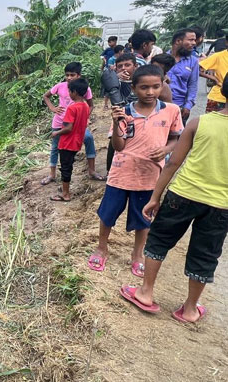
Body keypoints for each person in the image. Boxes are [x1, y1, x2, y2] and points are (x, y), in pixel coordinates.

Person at [120, 75, 228, 322]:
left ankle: (145, 292)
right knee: (206, 254)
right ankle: (190, 309)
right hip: (221, 204)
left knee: (159, 240)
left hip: (184, 194)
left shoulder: (200, 123)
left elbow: (173, 163)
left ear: (222, 90)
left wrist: (155, 196)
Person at [88, 65, 182, 276]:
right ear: (133, 88)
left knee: (143, 218)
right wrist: (115, 120)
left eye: (155, 87)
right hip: (121, 174)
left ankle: (137, 254)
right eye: (144, 88)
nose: (150, 92)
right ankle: (102, 247)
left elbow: (176, 138)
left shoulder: (171, 111)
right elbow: (119, 146)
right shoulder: (125, 112)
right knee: (108, 214)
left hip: (149, 176)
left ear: (162, 86)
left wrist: (165, 149)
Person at [41, 62, 104, 186]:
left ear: (78, 75)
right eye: (67, 75)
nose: (69, 78)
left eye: (72, 75)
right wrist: (53, 108)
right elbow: (46, 96)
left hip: (75, 125)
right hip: (59, 122)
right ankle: (52, 174)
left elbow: (90, 105)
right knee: (55, 147)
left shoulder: (84, 88)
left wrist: (85, 117)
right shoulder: (60, 86)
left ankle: (91, 170)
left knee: (89, 138)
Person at [49, 78, 91, 202]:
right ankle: (65, 189)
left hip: (67, 142)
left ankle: (65, 194)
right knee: (68, 165)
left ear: (75, 92)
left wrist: (56, 132)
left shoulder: (72, 108)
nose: (69, 93)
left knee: (65, 167)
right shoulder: (85, 106)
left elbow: (68, 128)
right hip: (77, 141)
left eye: (69, 91)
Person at [106, 53, 139, 172]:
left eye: (127, 65)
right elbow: (104, 81)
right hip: (119, 121)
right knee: (114, 148)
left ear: (135, 66)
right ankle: (110, 173)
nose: (124, 68)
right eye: (120, 66)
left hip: (138, 122)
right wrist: (116, 78)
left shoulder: (141, 81)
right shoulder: (114, 81)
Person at [167, 28, 199, 124]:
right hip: (160, 106)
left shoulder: (193, 61)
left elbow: (192, 85)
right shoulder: (161, 58)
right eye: (191, 40)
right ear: (178, 41)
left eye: (194, 40)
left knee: (178, 137)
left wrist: (188, 106)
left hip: (180, 108)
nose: (194, 43)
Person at [199, 46, 228, 112]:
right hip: (218, 98)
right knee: (211, 121)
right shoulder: (218, 56)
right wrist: (213, 78)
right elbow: (197, 69)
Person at [104, 45, 126, 109]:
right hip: (113, 77)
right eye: (123, 51)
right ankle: (106, 104)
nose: (123, 52)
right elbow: (111, 68)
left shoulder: (122, 59)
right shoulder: (111, 59)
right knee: (109, 91)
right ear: (120, 51)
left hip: (120, 77)